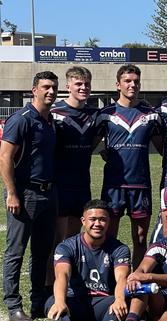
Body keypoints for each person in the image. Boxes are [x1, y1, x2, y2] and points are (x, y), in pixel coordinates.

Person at [0, 71, 59, 321]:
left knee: (42, 251)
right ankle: (13, 305)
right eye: (45, 87)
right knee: (16, 251)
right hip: (25, 194)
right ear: (34, 90)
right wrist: (12, 193)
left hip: (49, 194)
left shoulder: (50, 120)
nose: (51, 92)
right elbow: (4, 157)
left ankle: (37, 301)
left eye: (54, 87)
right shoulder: (21, 119)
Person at [96, 64, 163, 268]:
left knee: (141, 238)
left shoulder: (151, 115)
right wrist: (104, 151)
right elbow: (87, 144)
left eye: (135, 81)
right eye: (127, 81)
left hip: (141, 185)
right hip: (114, 185)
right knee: (109, 236)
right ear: (118, 84)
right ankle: (109, 281)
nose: (132, 85)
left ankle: (136, 280)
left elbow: (164, 149)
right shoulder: (105, 114)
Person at [43, 199, 131, 321]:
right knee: (52, 302)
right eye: (93, 219)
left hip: (102, 303)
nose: (97, 224)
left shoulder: (119, 249)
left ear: (109, 222)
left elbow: (122, 277)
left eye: (102, 219)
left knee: (122, 303)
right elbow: (62, 275)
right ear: (83, 221)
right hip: (74, 302)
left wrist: (119, 299)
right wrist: (60, 301)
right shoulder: (67, 246)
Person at [51, 66, 102, 245]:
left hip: (82, 184)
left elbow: (93, 143)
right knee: (57, 238)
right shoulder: (54, 112)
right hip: (60, 184)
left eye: (87, 84)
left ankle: (69, 273)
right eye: (78, 84)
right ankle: (53, 274)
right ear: (68, 87)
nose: (83, 87)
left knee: (73, 238)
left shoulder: (95, 114)